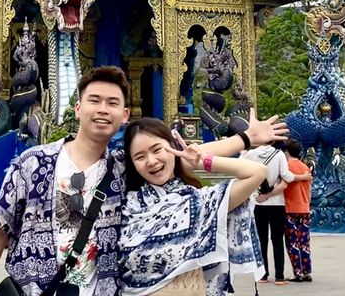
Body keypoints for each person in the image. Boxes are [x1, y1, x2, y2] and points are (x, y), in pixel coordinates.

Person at [0, 66, 131, 296]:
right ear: (77, 109)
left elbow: (168, 162)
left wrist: (196, 158)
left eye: (112, 103)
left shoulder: (124, 172)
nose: (103, 109)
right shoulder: (32, 163)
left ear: (124, 115)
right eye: (94, 100)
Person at [120, 117, 272, 295]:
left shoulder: (201, 202)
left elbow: (257, 172)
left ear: (173, 147)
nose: (151, 161)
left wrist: (199, 162)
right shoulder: (126, 206)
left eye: (157, 150)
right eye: (140, 157)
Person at [242, 142, 312, 286]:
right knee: (278, 240)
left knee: (261, 240)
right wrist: (304, 177)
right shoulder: (279, 155)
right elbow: (287, 178)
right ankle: (279, 276)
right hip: (278, 204)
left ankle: (263, 275)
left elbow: (240, 172)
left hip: (258, 203)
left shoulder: (250, 155)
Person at [281, 139, 312, 283]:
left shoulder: (286, 167)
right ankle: (307, 272)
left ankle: (297, 272)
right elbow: (309, 190)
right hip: (304, 208)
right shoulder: (305, 167)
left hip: (290, 208)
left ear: (286, 152)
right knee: (304, 242)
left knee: (292, 242)